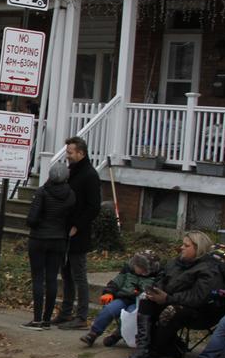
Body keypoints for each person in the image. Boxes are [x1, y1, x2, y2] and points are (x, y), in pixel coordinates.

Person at [121, 231, 225, 358]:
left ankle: (155, 350)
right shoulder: (177, 263)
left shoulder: (210, 269)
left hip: (202, 312)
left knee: (171, 311)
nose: (181, 248)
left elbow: (198, 297)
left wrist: (167, 298)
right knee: (146, 299)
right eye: (182, 244)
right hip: (172, 301)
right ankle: (143, 349)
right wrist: (155, 291)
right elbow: (162, 278)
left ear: (198, 248)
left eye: (186, 245)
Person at [53, 136, 101, 329]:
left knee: (78, 275)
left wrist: (78, 226)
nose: (68, 155)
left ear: (81, 153)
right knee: (65, 273)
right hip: (63, 230)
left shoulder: (89, 175)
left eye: (70, 152)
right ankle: (65, 312)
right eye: (67, 152)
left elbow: (93, 206)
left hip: (78, 233)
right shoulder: (70, 172)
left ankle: (81, 316)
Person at [22, 162, 75, 330]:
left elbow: (32, 219)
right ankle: (47, 319)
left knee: (38, 278)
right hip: (59, 239)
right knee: (52, 278)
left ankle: (37, 319)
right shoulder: (71, 194)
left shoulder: (42, 192)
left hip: (39, 238)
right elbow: (69, 218)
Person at [80, 251, 162, 346]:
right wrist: (108, 292)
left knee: (130, 316)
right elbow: (115, 282)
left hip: (140, 303)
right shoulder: (128, 270)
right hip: (123, 298)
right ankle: (93, 333)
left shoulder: (156, 276)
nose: (136, 268)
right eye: (136, 265)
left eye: (139, 267)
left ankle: (117, 334)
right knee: (109, 309)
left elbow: (156, 290)